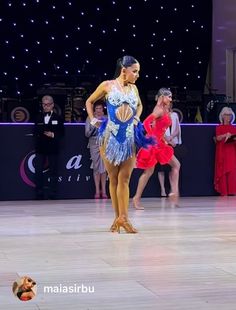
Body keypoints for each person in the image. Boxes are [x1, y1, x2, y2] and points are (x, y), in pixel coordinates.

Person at [86, 55, 144, 233]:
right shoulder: (107, 85)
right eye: (135, 71)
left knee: (125, 179)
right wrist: (93, 119)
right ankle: (117, 217)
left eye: (138, 72)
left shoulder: (134, 89)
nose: (137, 75)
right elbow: (89, 101)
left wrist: (136, 118)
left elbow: (140, 106)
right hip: (109, 138)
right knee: (114, 178)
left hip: (128, 139)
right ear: (123, 70)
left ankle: (124, 218)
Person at [133, 88, 181, 209]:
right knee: (148, 172)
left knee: (176, 165)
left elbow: (159, 128)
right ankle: (136, 198)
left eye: (171, 97)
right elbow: (145, 123)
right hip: (153, 145)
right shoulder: (159, 109)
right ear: (161, 97)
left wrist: (165, 139)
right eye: (168, 96)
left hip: (160, 143)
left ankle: (174, 193)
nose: (170, 99)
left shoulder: (165, 109)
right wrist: (152, 139)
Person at [34, 95, 64, 199]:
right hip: (40, 147)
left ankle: (53, 193)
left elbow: (62, 133)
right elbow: (34, 131)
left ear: (52, 105)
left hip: (53, 147)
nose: (45, 106)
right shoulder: (38, 117)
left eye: (47, 104)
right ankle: (39, 193)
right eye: (43, 104)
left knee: (53, 171)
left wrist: (53, 135)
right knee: (38, 170)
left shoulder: (58, 118)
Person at [158, 107, 182, 197]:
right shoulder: (159, 117)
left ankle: (174, 190)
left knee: (175, 166)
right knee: (160, 169)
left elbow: (177, 129)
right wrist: (167, 140)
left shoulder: (174, 116)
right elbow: (159, 132)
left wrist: (171, 138)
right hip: (162, 145)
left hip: (171, 144)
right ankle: (164, 190)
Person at [85, 101, 108, 199]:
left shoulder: (107, 118)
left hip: (105, 144)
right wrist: (95, 125)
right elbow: (87, 134)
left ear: (103, 109)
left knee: (104, 167)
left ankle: (104, 191)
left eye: (100, 108)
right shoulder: (90, 118)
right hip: (94, 143)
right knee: (96, 166)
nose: (98, 110)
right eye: (96, 108)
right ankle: (97, 191)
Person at [214, 106, 236, 196]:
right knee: (222, 170)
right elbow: (218, 138)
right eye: (226, 115)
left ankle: (233, 191)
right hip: (222, 151)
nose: (228, 117)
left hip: (232, 151)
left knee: (233, 171)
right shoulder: (219, 127)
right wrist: (225, 135)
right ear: (222, 116)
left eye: (230, 115)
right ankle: (224, 192)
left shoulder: (233, 128)